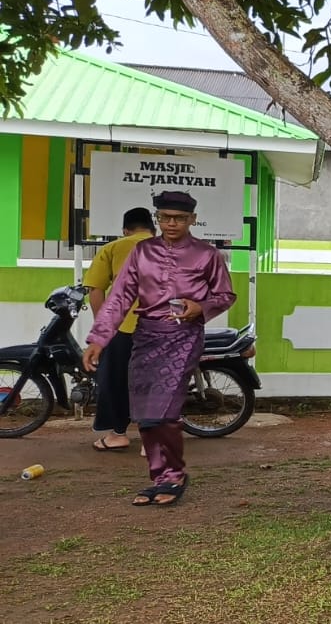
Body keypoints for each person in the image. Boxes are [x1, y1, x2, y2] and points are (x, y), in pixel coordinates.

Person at [84, 191, 236, 507]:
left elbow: (225, 295)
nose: (171, 223)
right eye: (164, 217)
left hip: (183, 337)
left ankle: (175, 475)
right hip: (146, 335)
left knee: (162, 410)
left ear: (192, 219)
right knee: (144, 414)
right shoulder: (142, 252)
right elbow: (120, 297)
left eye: (179, 218)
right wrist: (99, 339)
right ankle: (159, 478)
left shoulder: (207, 255)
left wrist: (200, 307)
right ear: (157, 219)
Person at [83, 207, 156, 453]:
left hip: (122, 328)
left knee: (115, 381)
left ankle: (118, 434)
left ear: (125, 230)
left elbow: (95, 290)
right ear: (153, 228)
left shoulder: (113, 248)